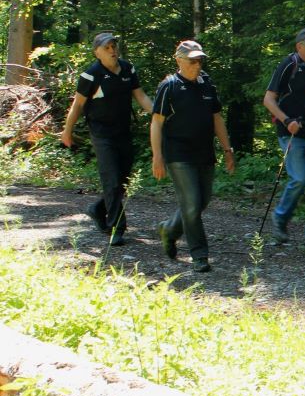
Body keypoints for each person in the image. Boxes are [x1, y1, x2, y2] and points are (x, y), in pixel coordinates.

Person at [150, 41, 235, 273]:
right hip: (178, 154)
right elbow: (157, 122)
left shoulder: (207, 84)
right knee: (191, 204)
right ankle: (199, 255)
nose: (197, 65)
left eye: (200, 61)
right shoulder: (169, 86)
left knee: (201, 202)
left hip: (205, 152)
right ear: (179, 60)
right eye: (192, 61)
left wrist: (227, 150)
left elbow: (217, 118)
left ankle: (169, 229)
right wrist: (157, 156)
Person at [61, 32, 153, 245]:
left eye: (113, 46)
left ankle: (97, 208)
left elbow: (141, 96)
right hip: (101, 134)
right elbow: (77, 105)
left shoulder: (128, 69)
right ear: (97, 53)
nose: (112, 50)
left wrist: (159, 114)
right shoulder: (90, 75)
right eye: (107, 48)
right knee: (111, 179)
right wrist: (67, 131)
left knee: (122, 181)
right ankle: (117, 228)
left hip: (123, 131)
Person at [262, 27, 305, 249]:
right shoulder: (288, 65)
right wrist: (286, 120)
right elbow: (268, 99)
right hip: (292, 133)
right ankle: (280, 218)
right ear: (299, 46)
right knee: (300, 178)